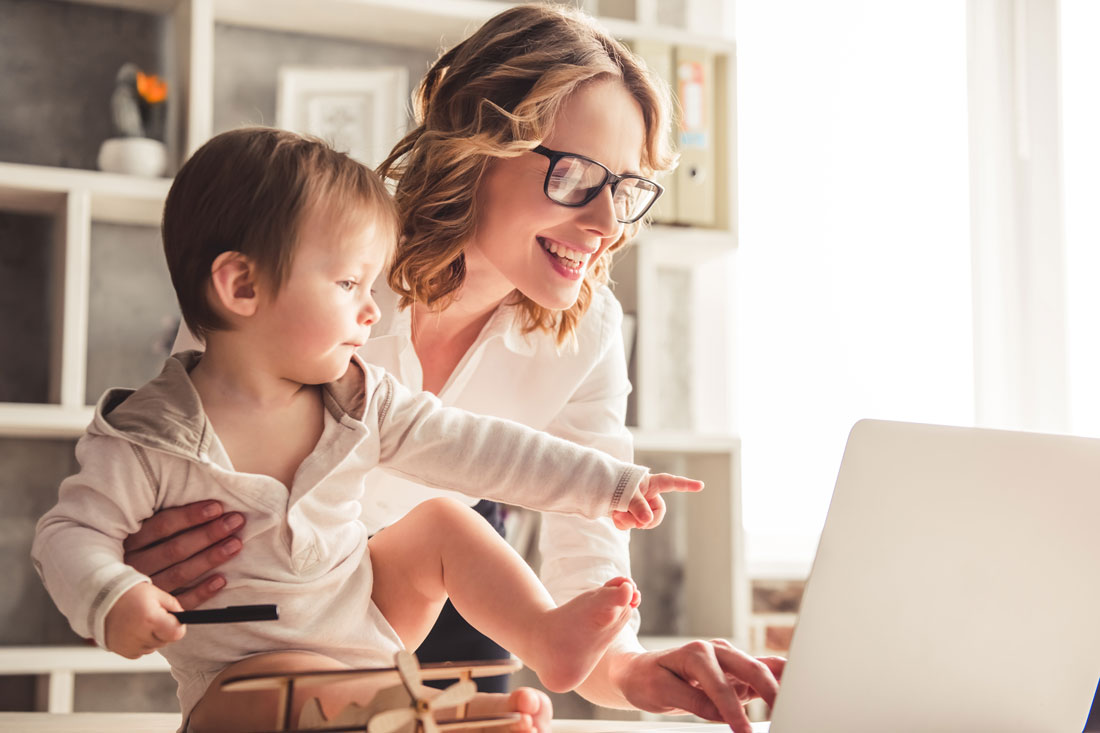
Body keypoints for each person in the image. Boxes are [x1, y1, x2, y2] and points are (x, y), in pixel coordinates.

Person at [125, 5, 785, 732]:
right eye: (574, 175)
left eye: (624, 190)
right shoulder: (315, 272)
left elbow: (588, 555)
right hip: (280, 616)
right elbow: (166, 456)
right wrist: (134, 547)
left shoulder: (588, 331)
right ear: (480, 144)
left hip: (451, 589)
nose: (605, 227)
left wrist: (632, 668)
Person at [31, 126, 704, 733]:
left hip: (369, 624)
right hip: (238, 686)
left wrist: (610, 483)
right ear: (241, 286)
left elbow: (480, 447)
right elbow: (69, 533)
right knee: (274, 685)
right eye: (351, 283)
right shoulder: (150, 435)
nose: (371, 307)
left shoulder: (360, 398)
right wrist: (113, 595)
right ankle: (427, 715)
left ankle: (541, 634)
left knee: (442, 519)